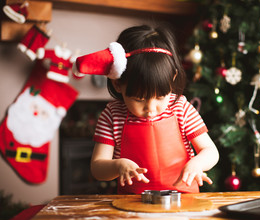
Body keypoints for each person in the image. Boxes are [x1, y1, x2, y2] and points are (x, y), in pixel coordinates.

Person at [73, 24, 219, 194]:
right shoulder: (112, 116)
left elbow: (210, 151)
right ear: (118, 84)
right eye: (139, 99)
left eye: (160, 97)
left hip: (184, 199)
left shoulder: (181, 108)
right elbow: (97, 168)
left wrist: (197, 163)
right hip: (131, 203)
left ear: (172, 79)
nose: (150, 109)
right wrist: (117, 165)